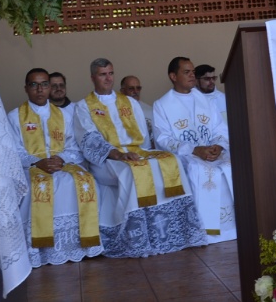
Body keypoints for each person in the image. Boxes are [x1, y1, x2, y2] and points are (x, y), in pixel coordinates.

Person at [72, 58, 205, 257]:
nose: (108, 78)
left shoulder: (128, 102)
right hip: (108, 159)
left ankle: (180, 232)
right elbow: (88, 138)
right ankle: (138, 237)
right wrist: (118, 154)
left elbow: (143, 133)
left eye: (110, 73)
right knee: (132, 171)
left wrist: (145, 154)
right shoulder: (84, 106)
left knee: (172, 161)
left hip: (135, 151)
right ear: (93, 78)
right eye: (102, 74)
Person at [7, 68, 115, 266]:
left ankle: (85, 244)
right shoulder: (14, 117)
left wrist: (61, 159)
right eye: (34, 85)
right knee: (38, 188)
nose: (40, 89)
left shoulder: (64, 115)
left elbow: (75, 147)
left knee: (86, 181)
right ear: (26, 88)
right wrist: (37, 162)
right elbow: (13, 151)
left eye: (44, 84)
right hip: (32, 166)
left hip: (61, 163)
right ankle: (41, 251)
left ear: (49, 87)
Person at [153, 57, 236, 243]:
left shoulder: (205, 100)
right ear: (173, 76)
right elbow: (163, 138)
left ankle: (235, 227)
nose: (192, 75)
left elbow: (219, 128)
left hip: (214, 153)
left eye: (192, 72)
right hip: (187, 155)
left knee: (233, 166)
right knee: (201, 170)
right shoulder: (162, 105)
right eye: (187, 72)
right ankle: (207, 231)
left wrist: (218, 146)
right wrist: (195, 150)